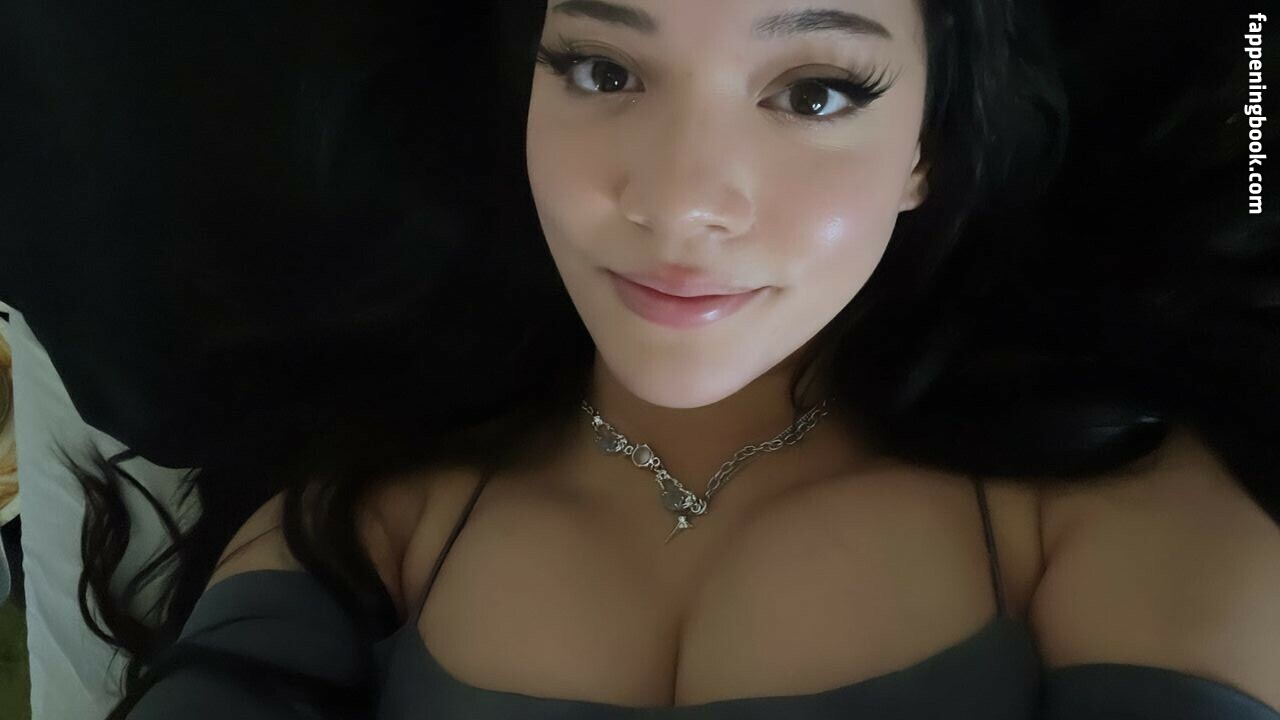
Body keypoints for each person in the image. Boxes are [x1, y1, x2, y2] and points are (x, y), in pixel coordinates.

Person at [46, 1, 1280, 718]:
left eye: (812, 92)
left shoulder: (1108, 506)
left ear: (927, 149)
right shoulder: (366, 515)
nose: (679, 202)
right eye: (601, 70)